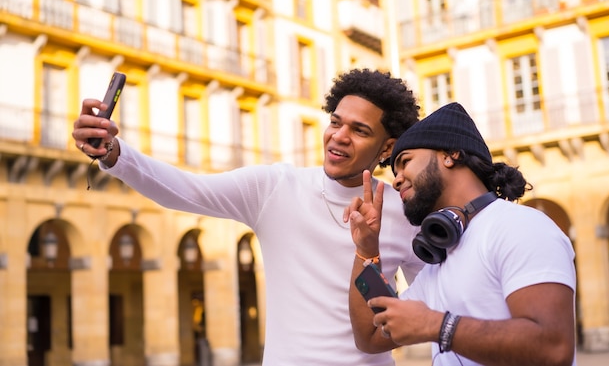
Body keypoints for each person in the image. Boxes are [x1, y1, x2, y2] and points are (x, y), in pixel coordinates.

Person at [72, 68, 424, 366]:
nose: (339, 137)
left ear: (387, 148)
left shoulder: (406, 212)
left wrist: (370, 257)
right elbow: (186, 190)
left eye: (359, 131)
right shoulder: (276, 188)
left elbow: (429, 305)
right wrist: (114, 153)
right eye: (335, 122)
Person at [346, 102, 577, 366]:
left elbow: (553, 348)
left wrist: (437, 325)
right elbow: (371, 337)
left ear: (451, 154)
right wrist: (365, 248)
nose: (396, 179)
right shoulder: (437, 266)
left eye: (405, 162)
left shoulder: (520, 227)